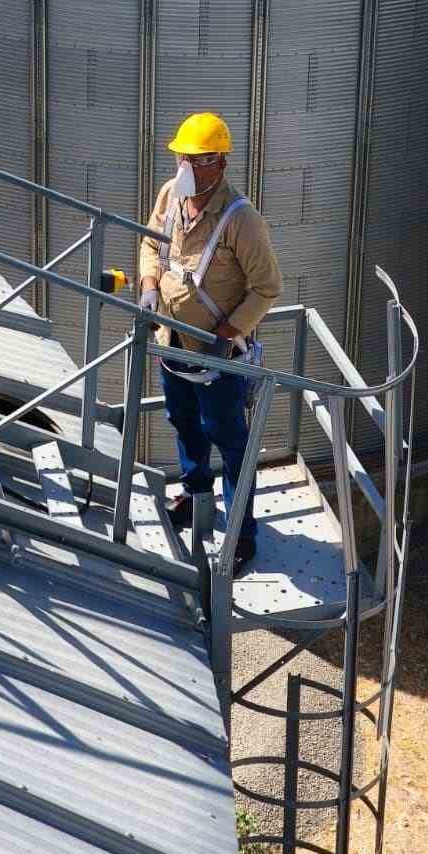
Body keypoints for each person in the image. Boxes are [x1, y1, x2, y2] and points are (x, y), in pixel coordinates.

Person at [138, 112, 283, 573]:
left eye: (197, 160)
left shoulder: (242, 219)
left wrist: (228, 333)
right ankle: (195, 493)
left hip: (219, 355)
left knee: (229, 438)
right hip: (173, 342)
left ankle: (241, 532)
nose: (186, 167)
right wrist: (148, 285)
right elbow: (151, 244)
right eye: (182, 157)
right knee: (183, 420)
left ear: (219, 163)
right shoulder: (171, 196)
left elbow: (267, 288)